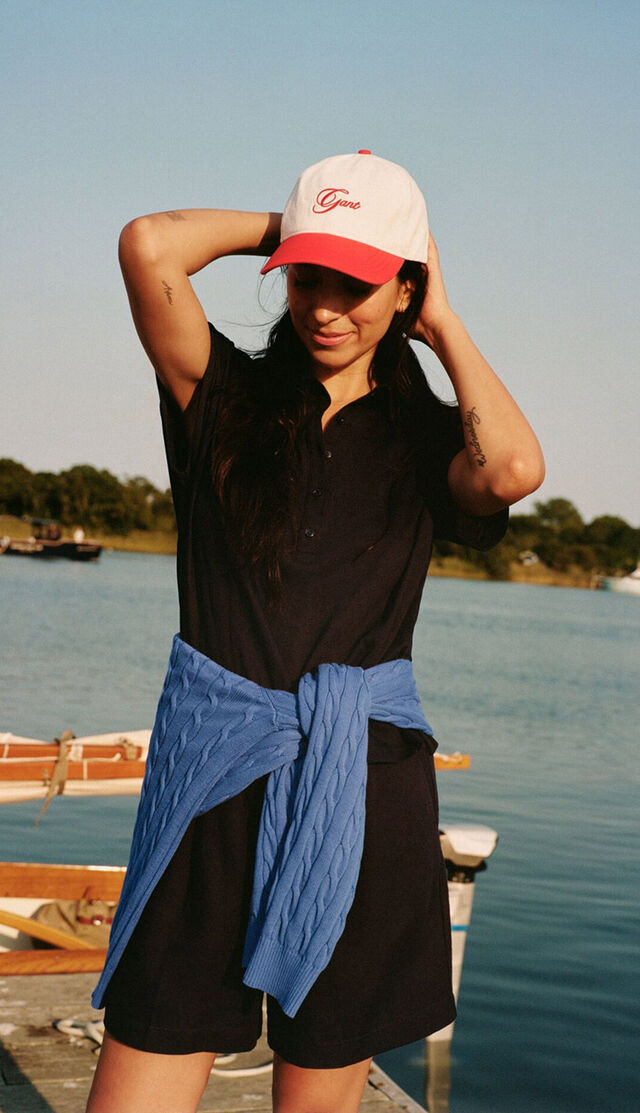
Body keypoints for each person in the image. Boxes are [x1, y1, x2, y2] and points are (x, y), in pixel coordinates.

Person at [86, 151, 544, 1113]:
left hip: (362, 781)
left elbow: (511, 470)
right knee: (143, 1066)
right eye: (307, 277)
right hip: (213, 771)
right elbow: (149, 245)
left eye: (357, 282)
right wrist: (297, 226)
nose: (326, 307)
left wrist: (443, 320)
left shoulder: (428, 438)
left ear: (405, 287)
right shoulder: (223, 395)